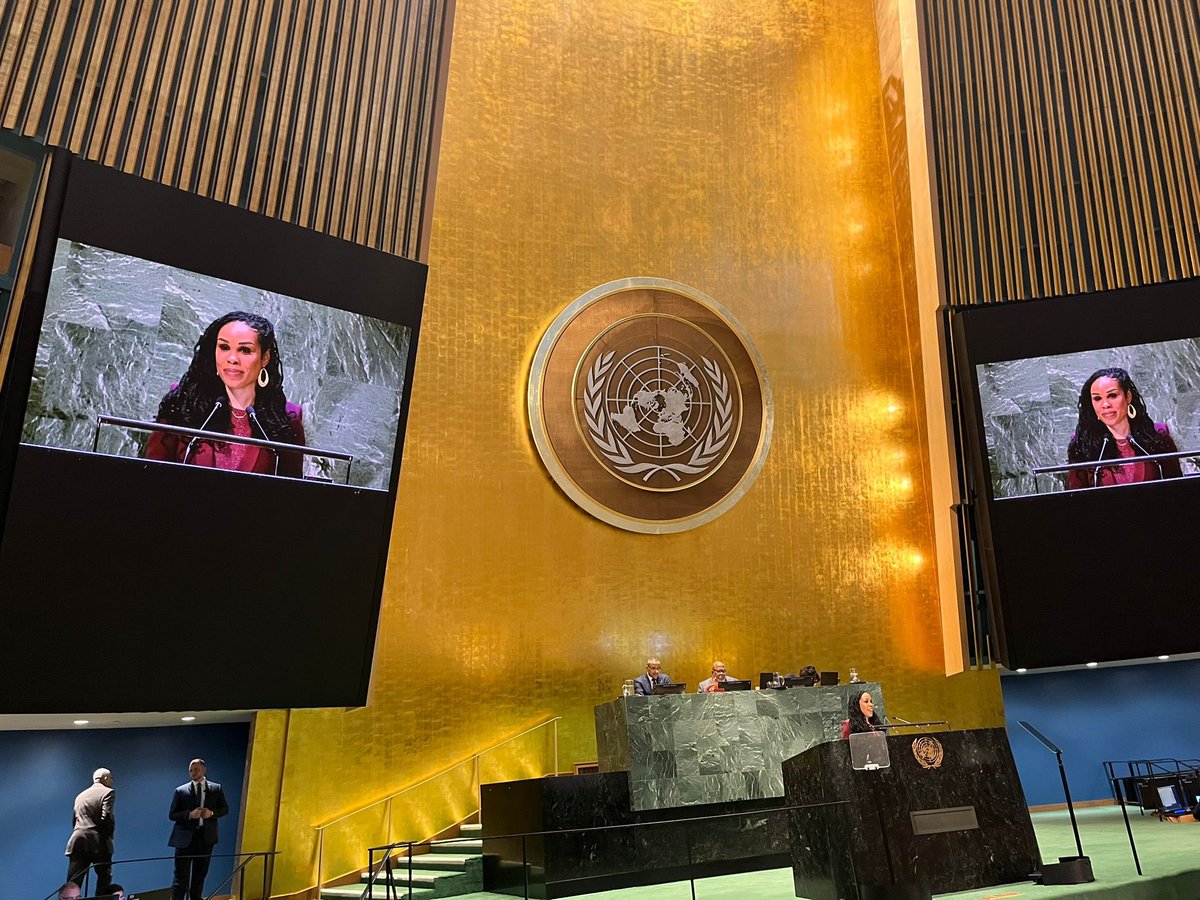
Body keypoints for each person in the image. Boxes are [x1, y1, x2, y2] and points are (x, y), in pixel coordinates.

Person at [146, 311, 306, 477]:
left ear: (264, 358)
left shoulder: (287, 418)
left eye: (245, 350)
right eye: (224, 347)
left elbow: (290, 490)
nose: (232, 358)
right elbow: (153, 474)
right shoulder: (183, 401)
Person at [1066, 367, 1182, 489]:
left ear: (1128, 397)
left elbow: (1177, 489)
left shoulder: (1158, 436)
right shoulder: (1082, 444)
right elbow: (1076, 499)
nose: (1105, 404)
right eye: (1097, 398)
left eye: (1112, 395)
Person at [168, 758, 229, 900]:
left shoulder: (216, 788)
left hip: (205, 838)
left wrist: (211, 813)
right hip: (184, 839)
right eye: (190, 770)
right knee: (180, 877)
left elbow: (224, 808)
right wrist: (189, 814)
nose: (193, 773)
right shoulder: (180, 791)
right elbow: (172, 814)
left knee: (200, 875)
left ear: (203, 770)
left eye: (196, 769)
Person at [65, 767, 115, 896]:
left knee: (73, 881)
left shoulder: (80, 796)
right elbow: (106, 817)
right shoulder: (108, 792)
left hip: (77, 841)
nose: (111, 781)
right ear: (105, 778)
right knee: (104, 878)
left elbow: (74, 820)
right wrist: (109, 835)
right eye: (110, 778)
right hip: (99, 842)